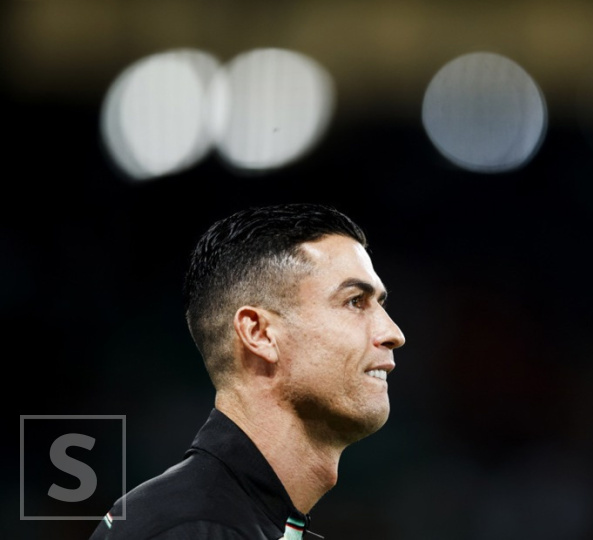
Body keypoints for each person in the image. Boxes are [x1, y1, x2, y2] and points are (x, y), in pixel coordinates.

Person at [90, 203, 406, 539]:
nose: (394, 334)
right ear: (259, 333)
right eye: (355, 301)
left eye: (380, 304)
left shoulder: (219, 520)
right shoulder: (191, 529)